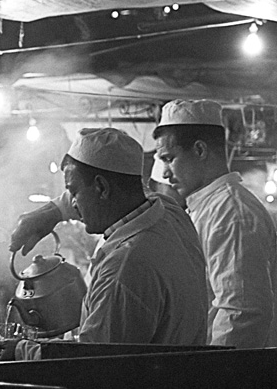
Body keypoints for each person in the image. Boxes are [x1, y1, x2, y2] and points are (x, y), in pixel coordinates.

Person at [12, 127, 207, 345]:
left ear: (102, 187)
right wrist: (53, 211)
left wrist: (22, 350)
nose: (73, 203)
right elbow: (127, 191)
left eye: (74, 192)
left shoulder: (124, 267)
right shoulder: (170, 213)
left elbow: (89, 362)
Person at [152, 99, 277, 349]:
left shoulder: (231, 212)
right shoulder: (207, 208)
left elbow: (241, 314)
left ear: (200, 150)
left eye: (169, 158)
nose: (164, 173)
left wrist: (211, 376)